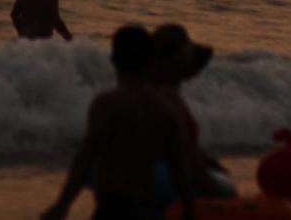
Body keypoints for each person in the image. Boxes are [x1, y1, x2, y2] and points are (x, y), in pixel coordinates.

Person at [40, 26, 195, 220]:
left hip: (112, 206)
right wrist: (190, 210)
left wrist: (62, 205)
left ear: (113, 60)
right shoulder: (163, 110)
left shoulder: (106, 105)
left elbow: (85, 159)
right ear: (150, 61)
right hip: (148, 208)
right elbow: (178, 167)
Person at [149, 24, 236, 200]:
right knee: (227, 190)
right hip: (163, 177)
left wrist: (203, 159)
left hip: (152, 172)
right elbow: (183, 150)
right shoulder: (167, 99)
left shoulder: (149, 89)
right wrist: (214, 191)